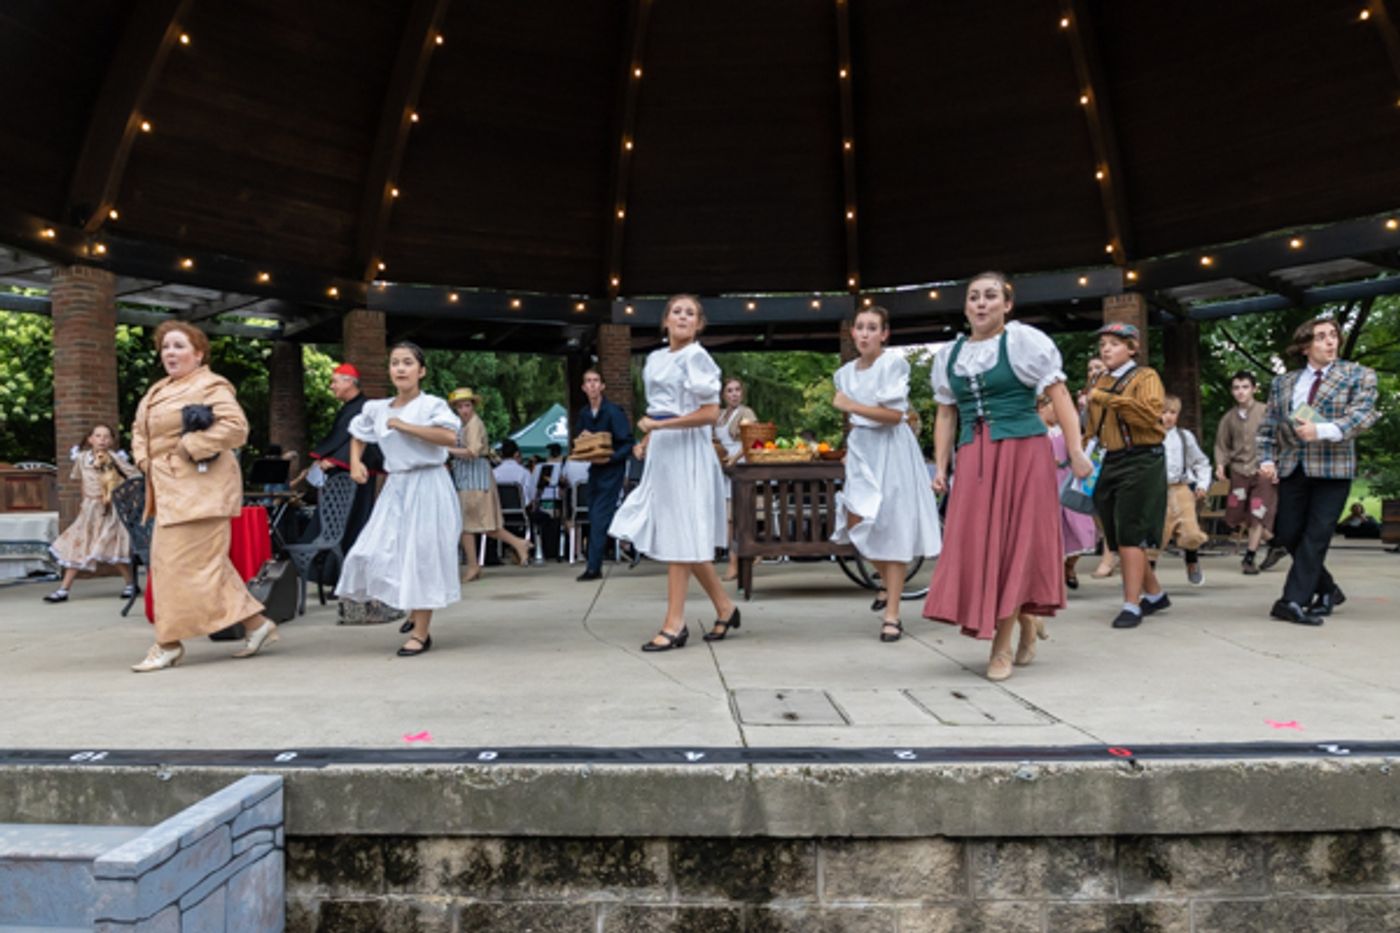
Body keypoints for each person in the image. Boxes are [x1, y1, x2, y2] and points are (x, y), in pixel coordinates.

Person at [924, 272, 1092, 681]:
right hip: (975, 458)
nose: (981, 303)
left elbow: (1060, 397)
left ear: (1007, 305)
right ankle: (1026, 622)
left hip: (1023, 453)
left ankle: (1001, 646)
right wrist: (942, 466)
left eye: (990, 296)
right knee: (982, 547)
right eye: (974, 297)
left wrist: (1074, 450)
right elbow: (946, 413)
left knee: (1013, 545)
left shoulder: (1023, 342)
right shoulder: (950, 355)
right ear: (966, 307)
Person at [128, 321, 277, 672]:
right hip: (169, 491)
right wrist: (143, 460)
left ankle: (167, 644)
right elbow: (139, 430)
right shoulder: (157, 390)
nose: (170, 353)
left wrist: (188, 446)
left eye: (179, 346)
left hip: (201, 490)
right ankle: (257, 626)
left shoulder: (210, 385)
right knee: (202, 567)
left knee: (171, 568)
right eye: (165, 347)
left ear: (198, 353)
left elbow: (236, 428)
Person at [609, 294, 739, 650]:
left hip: (688, 452)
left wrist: (663, 427)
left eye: (691, 313)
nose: (683, 317)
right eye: (677, 311)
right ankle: (725, 607)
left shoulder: (696, 356)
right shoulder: (653, 358)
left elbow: (710, 413)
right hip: (663, 451)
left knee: (681, 535)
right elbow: (661, 409)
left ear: (698, 325)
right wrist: (650, 436)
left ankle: (675, 622)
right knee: (681, 534)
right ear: (665, 321)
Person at [336, 342, 461, 656]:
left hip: (429, 484)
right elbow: (358, 434)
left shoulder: (432, 405)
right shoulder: (377, 409)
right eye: (395, 363)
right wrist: (355, 462)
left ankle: (421, 633)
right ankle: (410, 608)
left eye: (408, 363)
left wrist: (407, 426)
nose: (401, 369)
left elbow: (449, 437)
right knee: (375, 550)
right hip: (396, 486)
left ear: (421, 371)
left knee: (421, 556)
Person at [830, 306, 942, 641]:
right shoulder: (845, 373)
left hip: (892, 449)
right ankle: (885, 583)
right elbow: (856, 421)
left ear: (884, 334)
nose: (865, 333)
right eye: (860, 327)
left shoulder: (893, 364)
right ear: (853, 334)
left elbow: (894, 415)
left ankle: (892, 613)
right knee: (855, 520)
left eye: (872, 328)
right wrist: (851, 446)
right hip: (864, 450)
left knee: (892, 528)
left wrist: (850, 406)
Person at [1258, 317, 1379, 625]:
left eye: (1334, 335)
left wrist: (1324, 430)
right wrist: (1266, 459)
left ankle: (1292, 601)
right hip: (1292, 466)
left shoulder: (1358, 375)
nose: (1331, 341)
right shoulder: (1283, 383)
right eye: (1321, 336)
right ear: (1304, 346)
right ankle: (1327, 590)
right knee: (1287, 533)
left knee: (1317, 535)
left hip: (1332, 468)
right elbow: (1269, 425)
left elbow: (1362, 416)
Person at [1083, 321, 1170, 630]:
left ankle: (1131, 605)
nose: (1106, 348)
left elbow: (1149, 416)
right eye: (1103, 343)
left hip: (1141, 459)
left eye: (1115, 343)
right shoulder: (1099, 380)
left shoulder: (1146, 376)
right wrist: (1083, 454)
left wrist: (1104, 398)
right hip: (1107, 460)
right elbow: (1093, 427)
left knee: (1131, 532)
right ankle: (1156, 595)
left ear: (1132, 348)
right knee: (1117, 535)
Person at [293, 363, 383, 585]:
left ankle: (346, 578)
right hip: (341, 476)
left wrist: (334, 461)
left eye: (335, 381)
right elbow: (340, 440)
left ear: (348, 381)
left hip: (354, 478)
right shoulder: (350, 407)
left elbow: (364, 442)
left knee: (351, 525)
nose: (331, 386)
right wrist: (322, 462)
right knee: (331, 526)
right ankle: (330, 575)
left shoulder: (365, 407)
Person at [43, 423, 140, 603]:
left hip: (109, 509)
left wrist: (119, 493)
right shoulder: (82, 458)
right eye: (98, 436)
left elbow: (134, 475)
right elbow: (81, 481)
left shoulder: (114, 458)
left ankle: (130, 583)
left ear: (111, 441)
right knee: (78, 545)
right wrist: (83, 502)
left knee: (109, 546)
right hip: (89, 508)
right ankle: (64, 589)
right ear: (90, 439)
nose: (102, 440)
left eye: (106, 436)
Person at [448, 388, 530, 582]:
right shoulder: (464, 425)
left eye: (467, 405)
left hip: (474, 479)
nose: (464, 410)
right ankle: (475, 564)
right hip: (468, 478)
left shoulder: (474, 425)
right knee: (470, 524)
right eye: (460, 406)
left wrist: (447, 450)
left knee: (480, 523)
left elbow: (473, 451)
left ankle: (516, 544)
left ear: (473, 406)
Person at [573, 368, 635, 581]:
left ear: (602, 386)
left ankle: (594, 567)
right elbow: (579, 441)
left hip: (611, 469)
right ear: (583, 387)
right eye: (588, 381)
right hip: (595, 469)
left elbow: (628, 442)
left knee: (599, 516)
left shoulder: (613, 411)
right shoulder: (584, 414)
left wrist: (611, 458)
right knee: (594, 514)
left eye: (596, 381)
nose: (592, 385)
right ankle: (628, 538)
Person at [1213, 370, 1277, 575]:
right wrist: (1220, 464)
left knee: (1257, 512)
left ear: (1254, 389)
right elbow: (1221, 444)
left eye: (1245, 387)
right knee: (1235, 514)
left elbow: (1281, 439)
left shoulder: (1267, 412)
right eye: (1236, 388)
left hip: (1262, 471)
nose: (1240, 392)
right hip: (1239, 471)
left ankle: (1249, 557)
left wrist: (1276, 465)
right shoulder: (1228, 418)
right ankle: (1276, 542)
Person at [1036, 396, 1097, 590]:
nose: (1057, 413)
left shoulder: (1065, 430)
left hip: (1067, 480)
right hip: (1045, 482)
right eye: (1053, 409)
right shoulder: (1035, 431)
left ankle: (1069, 566)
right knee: (1052, 529)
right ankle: (1050, 576)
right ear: (1042, 409)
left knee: (1081, 526)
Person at [1158, 394, 1212, 586]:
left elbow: (1201, 462)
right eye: (1163, 412)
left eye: (1172, 412)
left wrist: (1201, 484)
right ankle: (1146, 572)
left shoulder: (1184, 436)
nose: (1168, 417)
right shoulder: (1149, 436)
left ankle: (1192, 560)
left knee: (1190, 529)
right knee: (1158, 534)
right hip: (1157, 490)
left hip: (1180, 487)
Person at [714, 377, 757, 581]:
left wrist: (735, 457)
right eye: (729, 390)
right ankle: (746, 553)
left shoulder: (746, 413)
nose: (734, 394)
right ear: (724, 395)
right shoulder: (721, 416)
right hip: (724, 469)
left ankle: (735, 561)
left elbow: (753, 440)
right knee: (727, 518)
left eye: (737, 390)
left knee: (735, 517)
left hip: (740, 468)